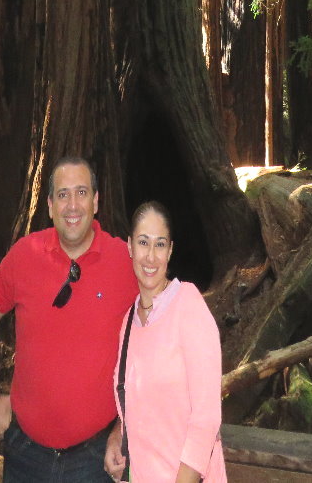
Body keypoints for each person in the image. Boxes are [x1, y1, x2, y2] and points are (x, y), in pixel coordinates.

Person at [0, 156, 138, 482]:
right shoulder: (25, 255)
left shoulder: (125, 261)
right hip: (24, 454)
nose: (72, 205)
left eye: (81, 192)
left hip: (95, 459)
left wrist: (124, 426)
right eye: (63, 195)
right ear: (49, 205)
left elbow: (158, 346)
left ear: (96, 202)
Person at [105, 201, 227, 482]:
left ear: (170, 250)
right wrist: (117, 435)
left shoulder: (188, 305)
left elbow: (205, 419)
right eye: (143, 242)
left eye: (159, 245)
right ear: (129, 247)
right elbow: (135, 402)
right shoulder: (128, 324)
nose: (150, 256)